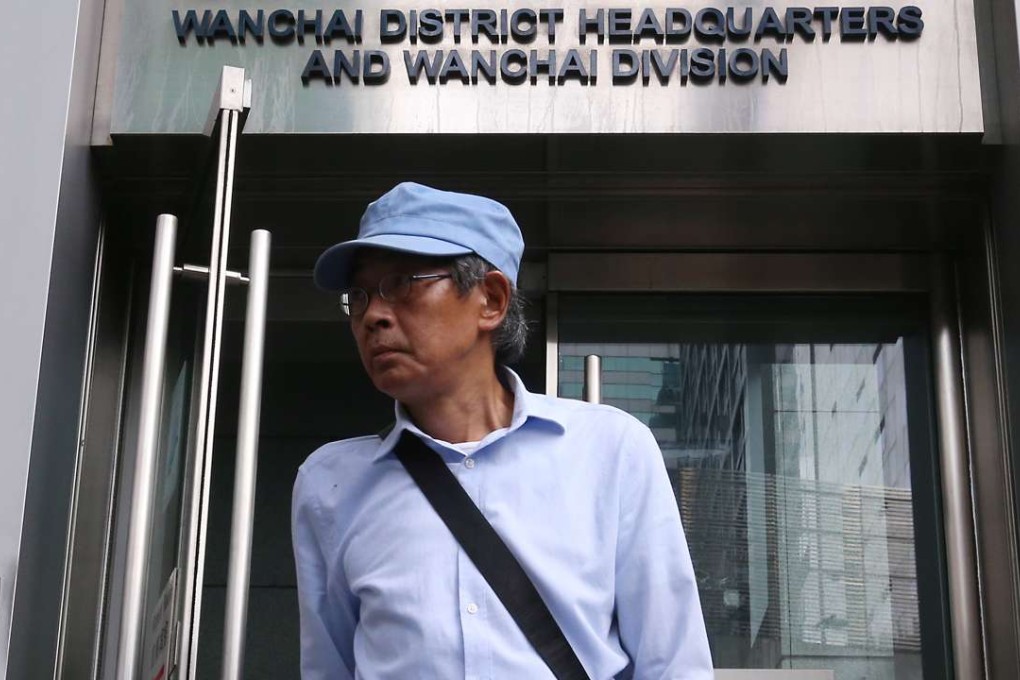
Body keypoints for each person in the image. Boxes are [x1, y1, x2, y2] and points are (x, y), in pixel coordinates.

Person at [292, 182, 713, 679]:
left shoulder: (611, 451)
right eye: (358, 297)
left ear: (490, 300)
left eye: (403, 284)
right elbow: (328, 669)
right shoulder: (330, 485)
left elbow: (673, 665)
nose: (373, 316)